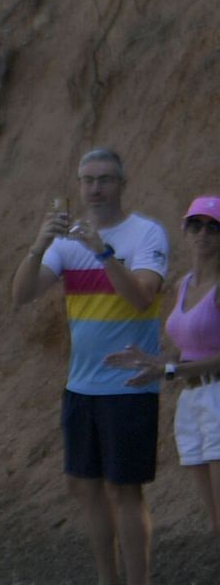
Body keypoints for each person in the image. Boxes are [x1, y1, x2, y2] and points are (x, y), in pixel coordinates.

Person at [12, 147, 170, 585]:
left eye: (105, 179)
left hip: (129, 385)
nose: (95, 188)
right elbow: (20, 295)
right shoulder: (66, 242)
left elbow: (143, 295)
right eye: (87, 180)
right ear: (78, 186)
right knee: (83, 485)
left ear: (122, 184)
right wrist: (39, 246)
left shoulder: (145, 233)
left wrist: (103, 251)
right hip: (81, 384)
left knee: (126, 489)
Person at [108, 195, 220, 542]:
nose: (203, 233)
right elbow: (189, 343)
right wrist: (160, 364)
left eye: (214, 227)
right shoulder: (184, 283)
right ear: (185, 229)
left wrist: (169, 370)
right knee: (215, 521)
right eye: (196, 224)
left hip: (216, 395)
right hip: (191, 401)